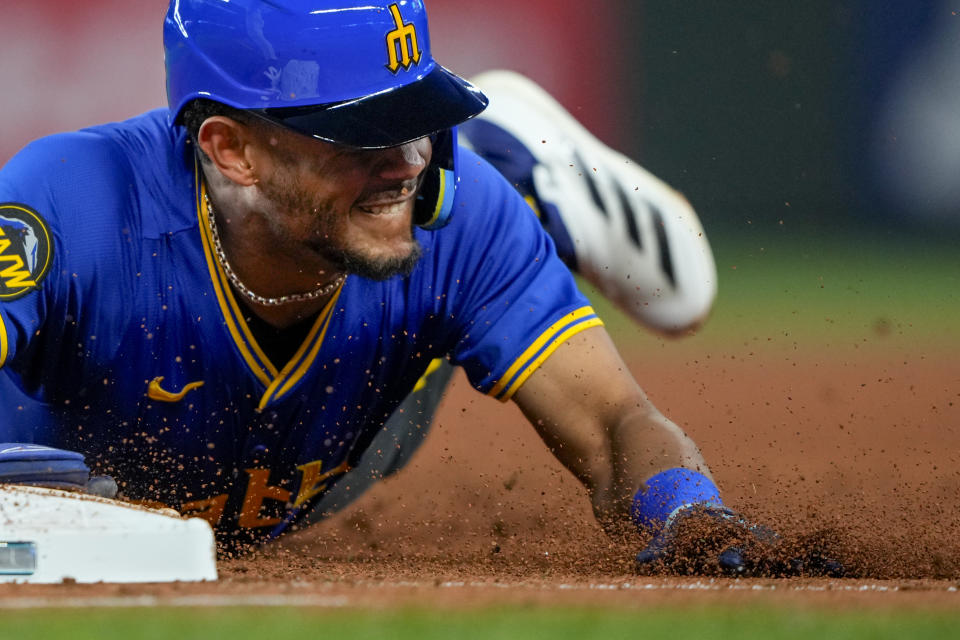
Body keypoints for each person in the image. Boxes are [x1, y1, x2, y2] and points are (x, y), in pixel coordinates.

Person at [0, 0, 784, 574]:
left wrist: (689, 514)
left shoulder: (457, 221)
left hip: (369, 423)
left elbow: (616, 426)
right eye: (361, 131)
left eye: (421, 116)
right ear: (230, 149)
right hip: (197, 476)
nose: (409, 157)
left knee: (448, 207)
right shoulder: (72, 203)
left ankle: (516, 167)